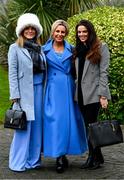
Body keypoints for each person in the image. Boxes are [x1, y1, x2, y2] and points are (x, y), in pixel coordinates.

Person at [43, 20, 88, 173]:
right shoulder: (43, 50)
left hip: (69, 89)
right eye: (57, 31)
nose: (60, 34)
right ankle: (59, 156)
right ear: (53, 31)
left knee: (69, 122)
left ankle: (63, 155)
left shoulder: (73, 49)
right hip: (53, 90)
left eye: (63, 32)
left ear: (66, 33)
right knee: (55, 121)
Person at [8, 13, 46, 171]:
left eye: (33, 28)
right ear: (21, 30)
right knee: (23, 127)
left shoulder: (40, 48)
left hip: (39, 91)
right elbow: (12, 72)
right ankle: (18, 163)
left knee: (37, 127)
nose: (30, 31)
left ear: (36, 31)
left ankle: (33, 161)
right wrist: (15, 95)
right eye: (27, 28)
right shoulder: (14, 48)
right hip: (23, 93)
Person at [74, 19, 111, 170]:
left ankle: (92, 158)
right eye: (79, 32)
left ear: (90, 32)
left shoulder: (101, 47)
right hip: (80, 94)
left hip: (94, 94)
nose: (82, 34)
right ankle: (98, 156)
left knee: (91, 126)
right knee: (88, 126)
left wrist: (103, 96)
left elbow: (104, 73)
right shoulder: (78, 49)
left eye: (84, 31)